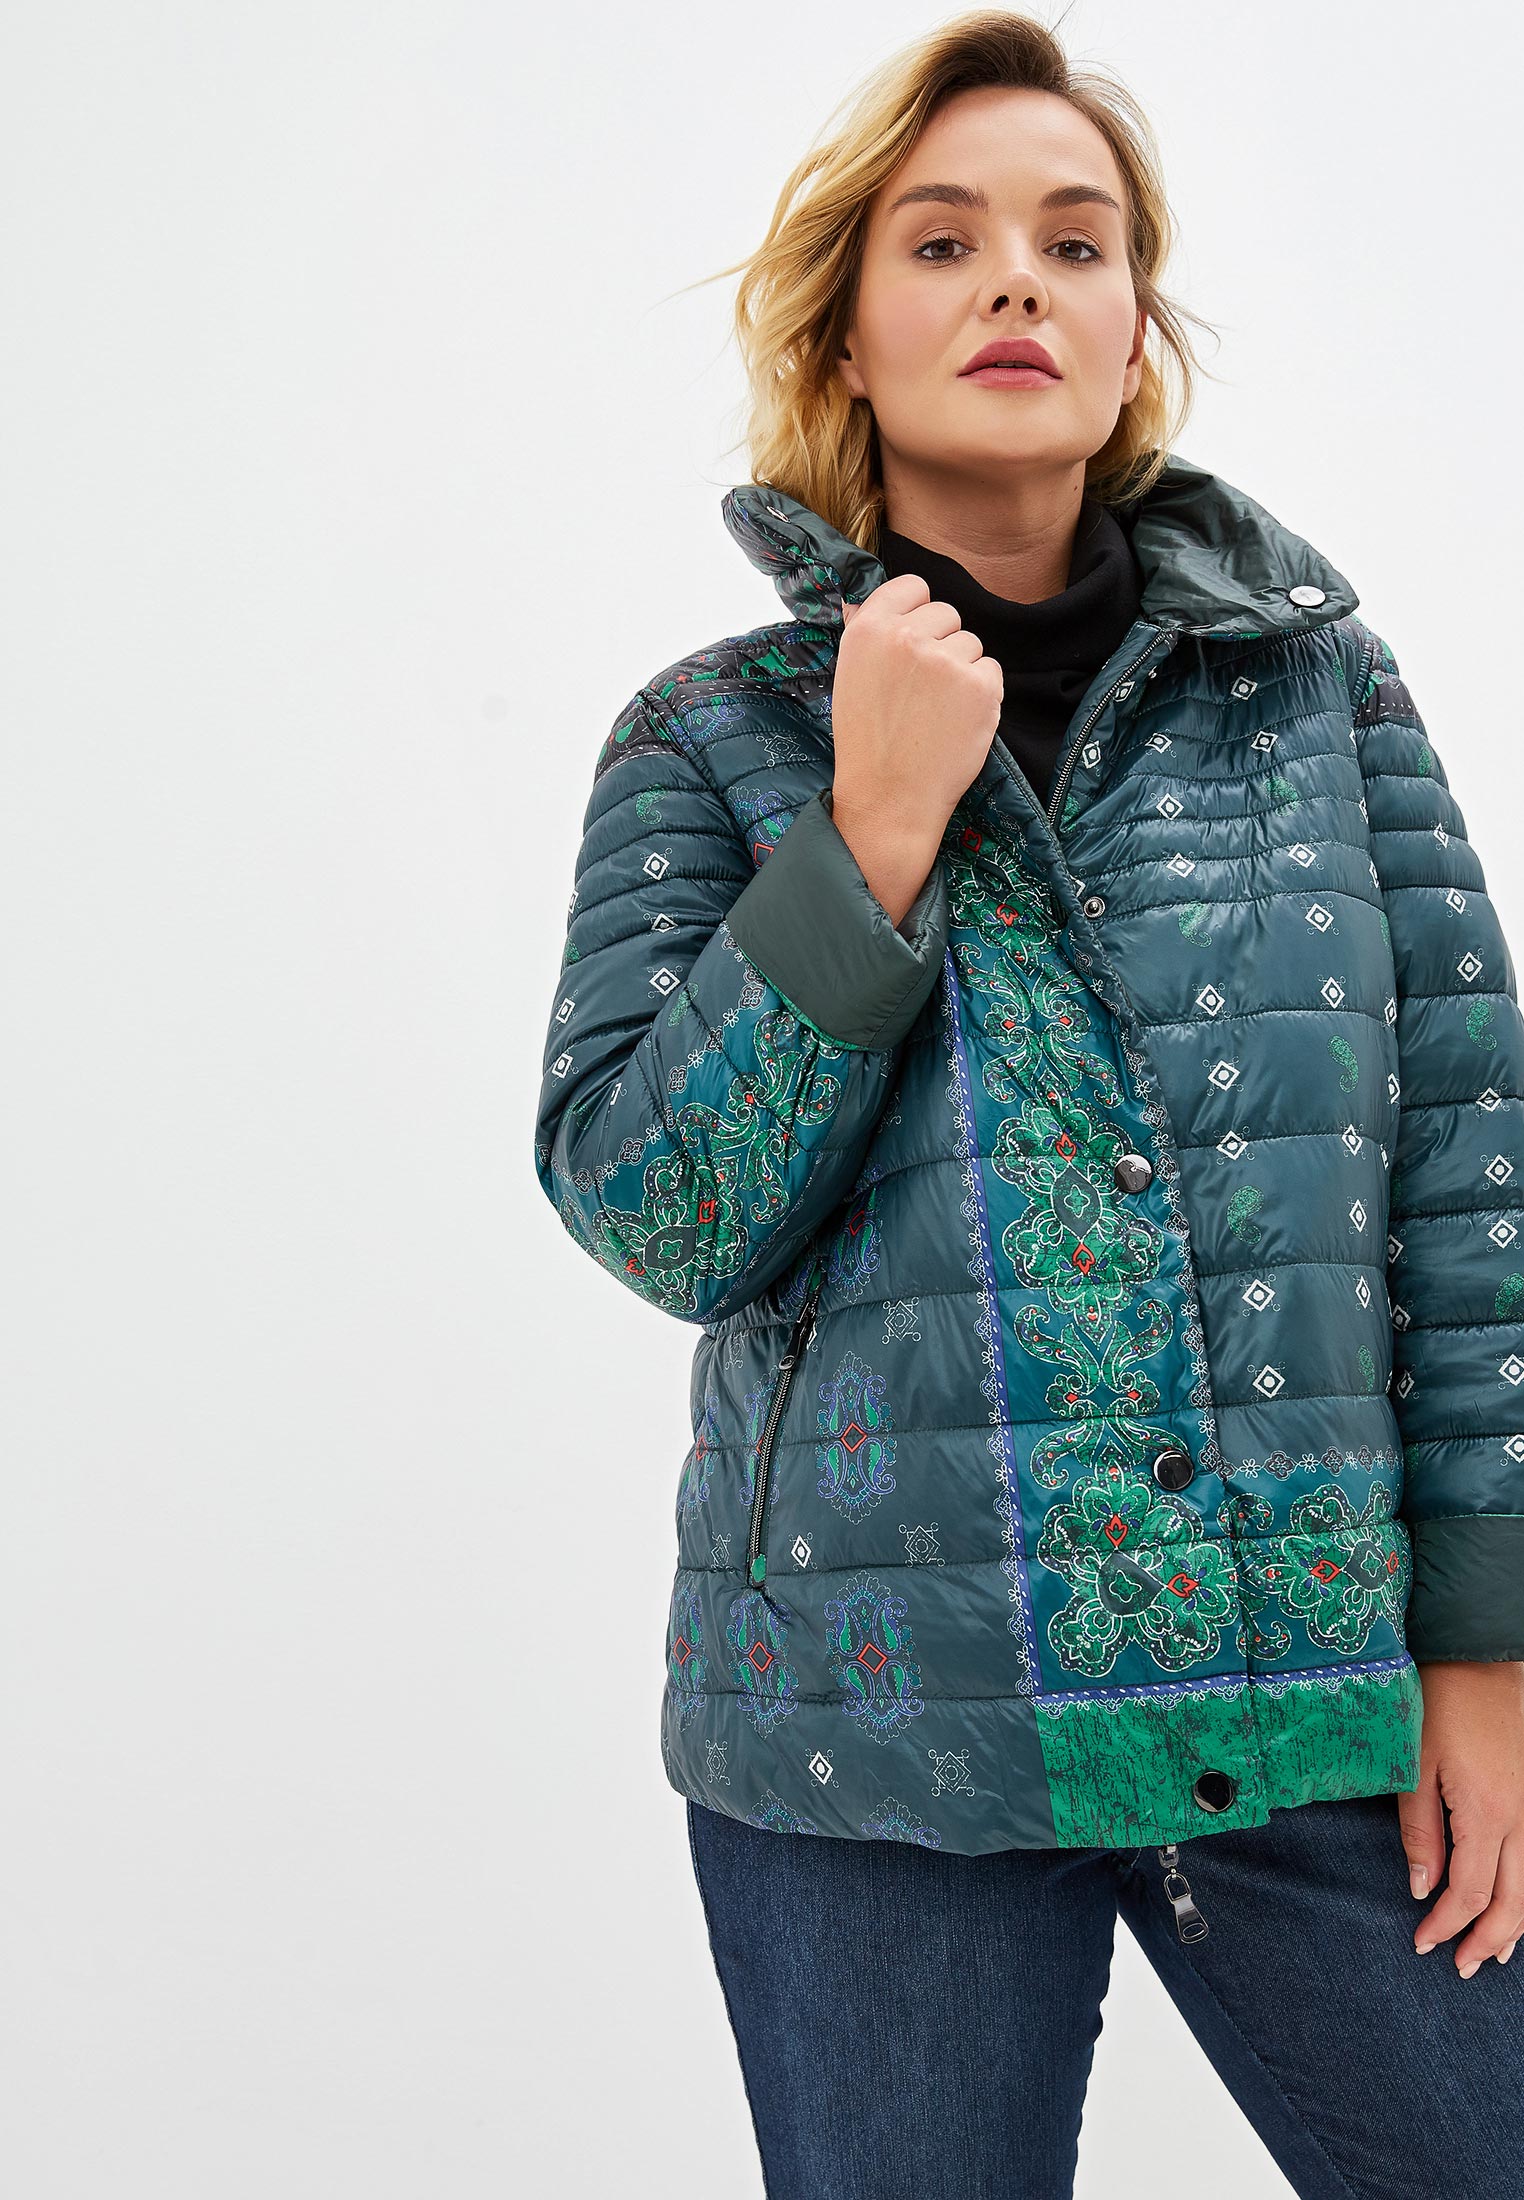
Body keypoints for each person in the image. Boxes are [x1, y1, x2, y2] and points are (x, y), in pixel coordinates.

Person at [533, 11, 1524, 2194]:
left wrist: (1490, 1642)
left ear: (1132, 325)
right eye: (944, 241)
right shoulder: (709, 736)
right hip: (873, 1735)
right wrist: (869, 836)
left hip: (1308, 1686)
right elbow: (654, 1215)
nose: (1017, 282)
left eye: (1075, 243)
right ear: (846, 331)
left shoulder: (1323, 698)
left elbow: (1470, 1186)